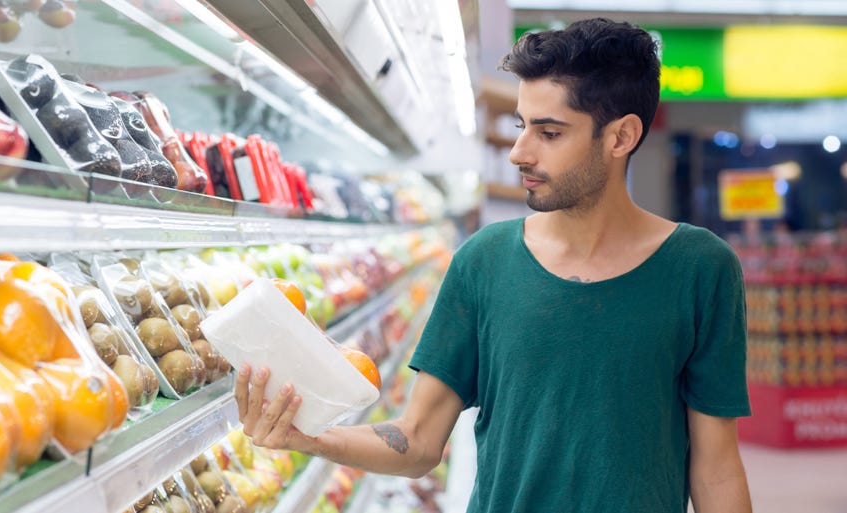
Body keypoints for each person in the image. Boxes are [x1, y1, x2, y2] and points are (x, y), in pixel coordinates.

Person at [234, 18, 752, 513]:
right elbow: (417, 441)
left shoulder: (701, 270)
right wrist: (316, 438)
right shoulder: (483, 261)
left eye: (549, 133)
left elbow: (716, 467)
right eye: (522, 125)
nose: (518, 152)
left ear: (620, 137)